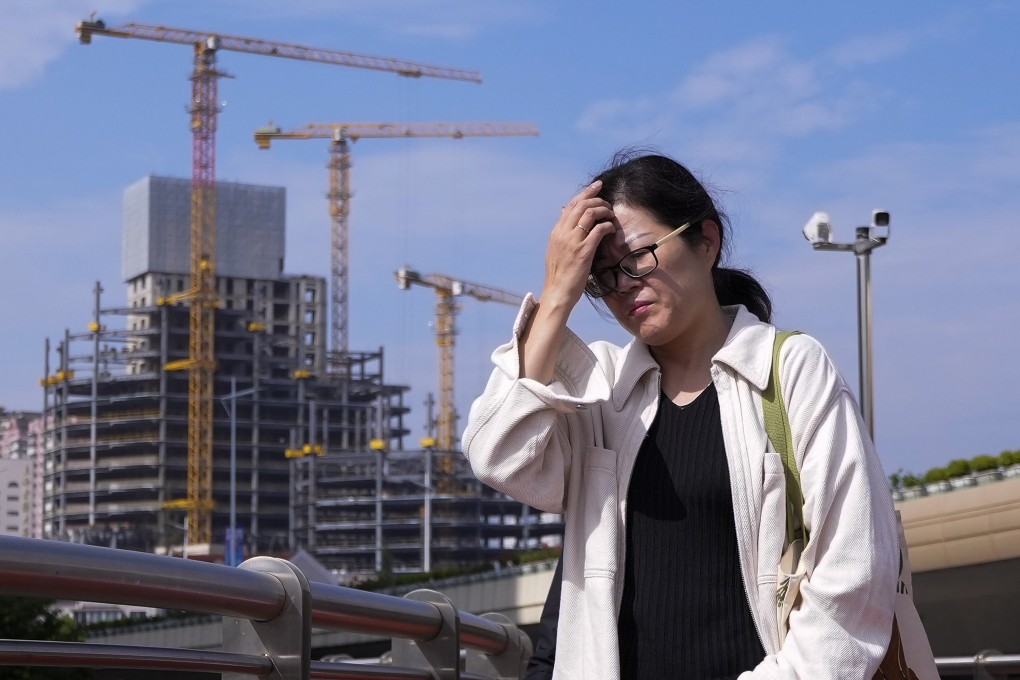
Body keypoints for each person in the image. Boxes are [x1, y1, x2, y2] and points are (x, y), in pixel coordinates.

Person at [462, 150, 903, 679]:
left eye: (639, 257)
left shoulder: (787, 369)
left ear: (707, 241)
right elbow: (499, 459)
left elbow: (856, 570)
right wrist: (558, 292)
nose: (622, 284)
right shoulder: (600, 394)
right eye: (601, 276)